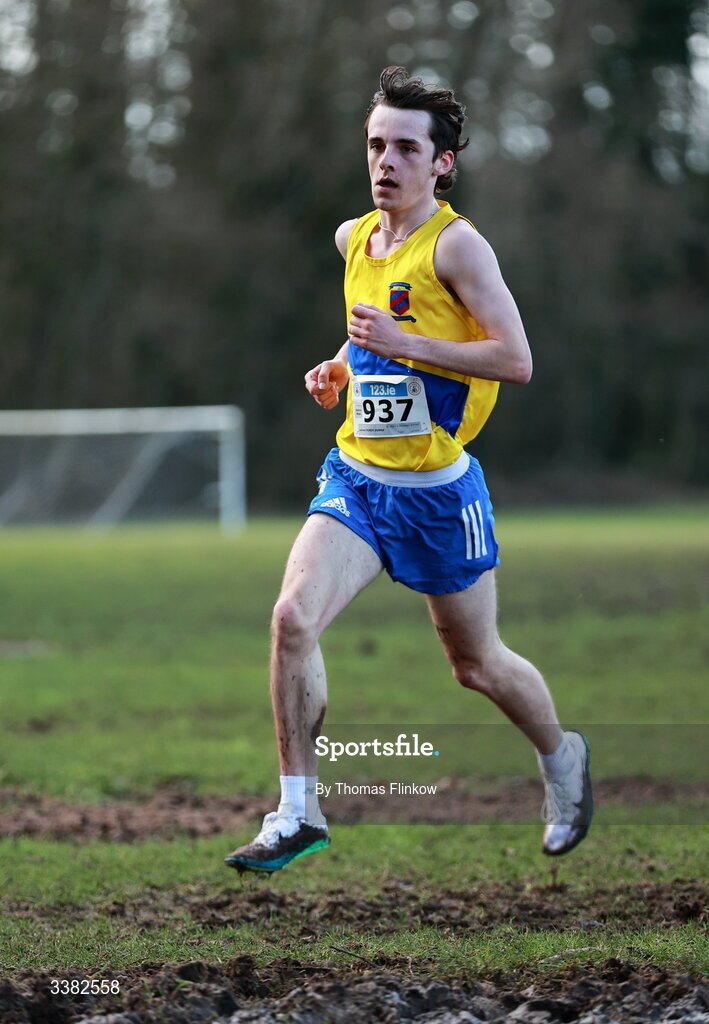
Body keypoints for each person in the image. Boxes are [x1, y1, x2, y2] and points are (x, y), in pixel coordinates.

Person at [225, 66, 592, 874]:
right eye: (374, 145)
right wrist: (340, 368)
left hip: (436, 496)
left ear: (441, 164)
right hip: (356, 478)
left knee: (476, 666)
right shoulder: (352, 238)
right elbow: (368, 337)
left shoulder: (458, 245)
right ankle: (297, 813)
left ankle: (562, 758)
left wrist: (407, 347)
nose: (384, 161)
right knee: (291, 620)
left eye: (404, 148)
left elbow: (516, 360)